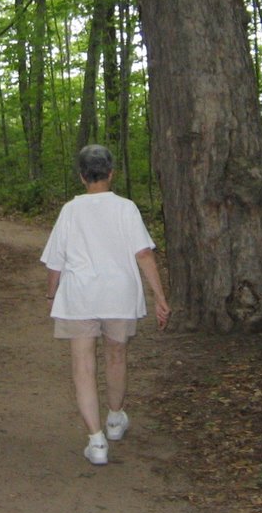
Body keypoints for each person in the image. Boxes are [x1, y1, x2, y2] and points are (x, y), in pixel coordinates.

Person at [41, 144, 171, 465]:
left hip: (81, 297)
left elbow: (55, 263)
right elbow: (144, 254)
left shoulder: (70, 211)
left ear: (81, 176)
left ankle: (96, 441)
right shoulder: (126, 208)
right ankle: (114, 419)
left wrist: (51, 293)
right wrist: (160, 297)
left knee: (83, 366)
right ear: (111, 173)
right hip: (119, 295)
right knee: (116, 355)